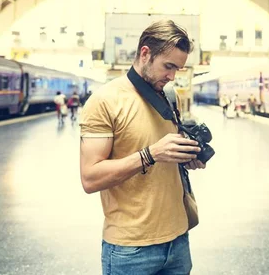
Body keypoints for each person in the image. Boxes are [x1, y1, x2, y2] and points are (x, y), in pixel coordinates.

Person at [79, 20, 207, 275]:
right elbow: (90, 178)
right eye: (168, 66)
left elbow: (166, 156)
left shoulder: (170, 96)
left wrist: (186, 158)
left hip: (178, 240)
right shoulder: (105, 101)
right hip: (131, 249)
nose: (172, 76)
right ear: (145, 53)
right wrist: (150, 154)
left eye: (178, 69)